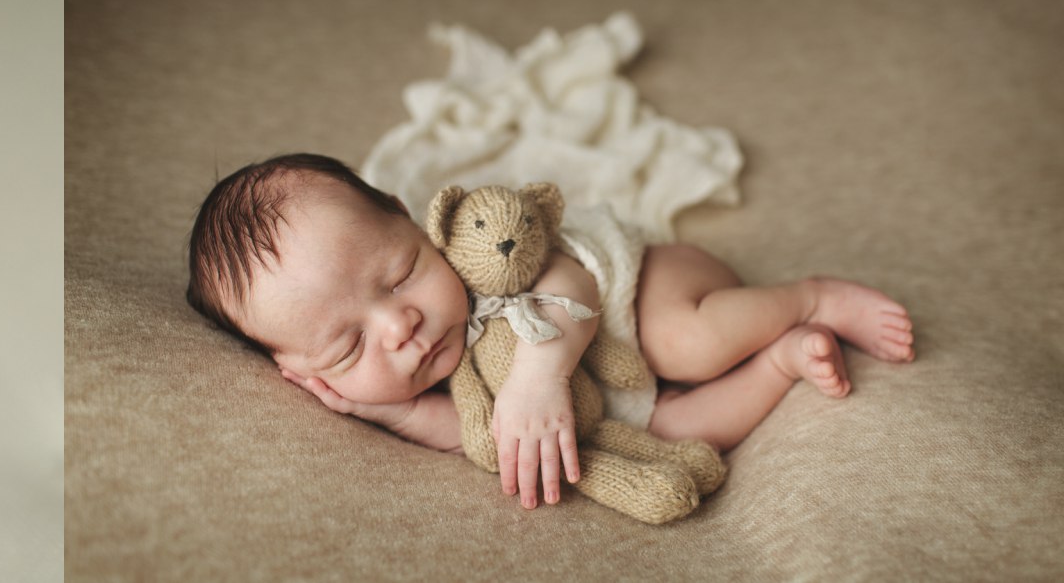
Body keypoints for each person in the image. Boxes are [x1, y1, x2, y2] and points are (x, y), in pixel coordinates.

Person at [185, 153, 913, 510]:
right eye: (349, 347)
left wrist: (538, 373)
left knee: (685, 344)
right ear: (301, 373)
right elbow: (478, 431)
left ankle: (811, 296)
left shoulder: (478, 257)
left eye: (401, 273)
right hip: (628, 395)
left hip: (645, 289)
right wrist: (394, 413)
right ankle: (780, 362)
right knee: (680, 427)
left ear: (412, 220)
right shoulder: (392, 383)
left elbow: (573, 285)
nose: (400, 325)